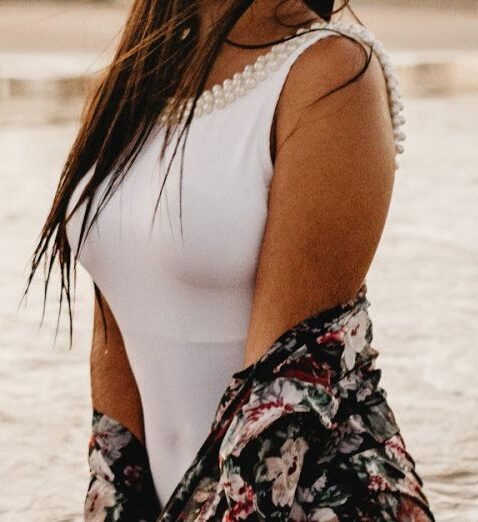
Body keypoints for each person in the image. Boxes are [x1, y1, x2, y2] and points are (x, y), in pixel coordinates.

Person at [23, 0, 436, 520]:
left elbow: (285, 390)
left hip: (306, 500)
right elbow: (115, 348)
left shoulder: (330, 73)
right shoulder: (133, 81)